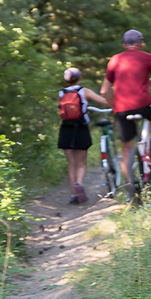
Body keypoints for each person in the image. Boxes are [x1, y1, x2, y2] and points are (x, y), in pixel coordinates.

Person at [101, 29, 151, 187]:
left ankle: (132, 185)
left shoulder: (114, 60)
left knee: (126, 145)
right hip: (144, 104)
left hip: (121, 109)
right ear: (141, 43)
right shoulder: (147, 57)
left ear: (124, 44)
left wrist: (114, 105)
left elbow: (104, 90)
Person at [57, 67, 109, 204]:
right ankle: (79, 183)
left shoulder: (61, 93)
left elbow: (60, 112)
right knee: (81, 163)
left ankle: (74, 195)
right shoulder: (84, 91)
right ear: (79, 78)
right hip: (80, 129)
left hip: (66, 130)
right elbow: (104, 102)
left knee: (71, 163)